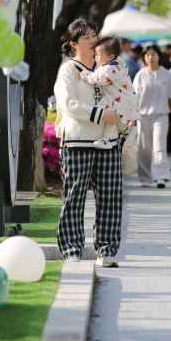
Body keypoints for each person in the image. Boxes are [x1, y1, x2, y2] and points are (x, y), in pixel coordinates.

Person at [55, 19, 124, 268]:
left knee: (110, 195)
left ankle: (107, 249)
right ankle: (72, 247)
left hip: (108, 141)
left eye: (94, 34)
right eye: (87, 37)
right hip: (77, 141)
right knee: (75, 196)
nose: (93, 39)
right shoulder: (68, 71)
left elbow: (124, 93)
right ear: (74, 44)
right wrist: (100, 114)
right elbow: (68, 105)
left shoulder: (108, 67)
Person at [76, 36, 139, 150]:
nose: (95, 57)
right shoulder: (114, 64)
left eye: (98, 55)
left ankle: (110, 138)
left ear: (110, 56)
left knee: (107, 112)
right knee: (111, 117)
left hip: (122, 104)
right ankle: (118, 135)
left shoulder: (111, 69)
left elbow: (97, 79)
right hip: (123, 103)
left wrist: (85, 74)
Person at [133, 45, 171, 188]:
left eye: (153, 54)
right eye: (147, 55)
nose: (151, 57)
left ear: (159, 56)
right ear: (144, 58)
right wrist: (132, 117)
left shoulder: (167, 75)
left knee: (159, 146)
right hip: (143, 116)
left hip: (161, 116)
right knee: (144, 148)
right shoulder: (140, 75)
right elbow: (134, 98)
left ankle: (160, 176)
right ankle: (145, 178)